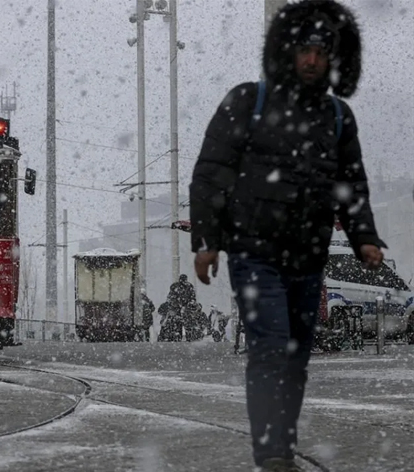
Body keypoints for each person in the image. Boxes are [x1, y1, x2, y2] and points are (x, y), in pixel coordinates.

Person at [189, 1, 384, 469]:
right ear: (286, 51)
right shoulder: (247, 101)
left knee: (295, 360)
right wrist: (206, 242)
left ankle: (281, 446)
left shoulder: (338, 118)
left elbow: (351, 185)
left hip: (308, 258)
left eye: (321, 50)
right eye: (304, 49)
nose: (312, 60)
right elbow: (210, 175)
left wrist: (365, 238)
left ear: (335, 56)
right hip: (253, 256)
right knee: (271, 351)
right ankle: (272, 454)